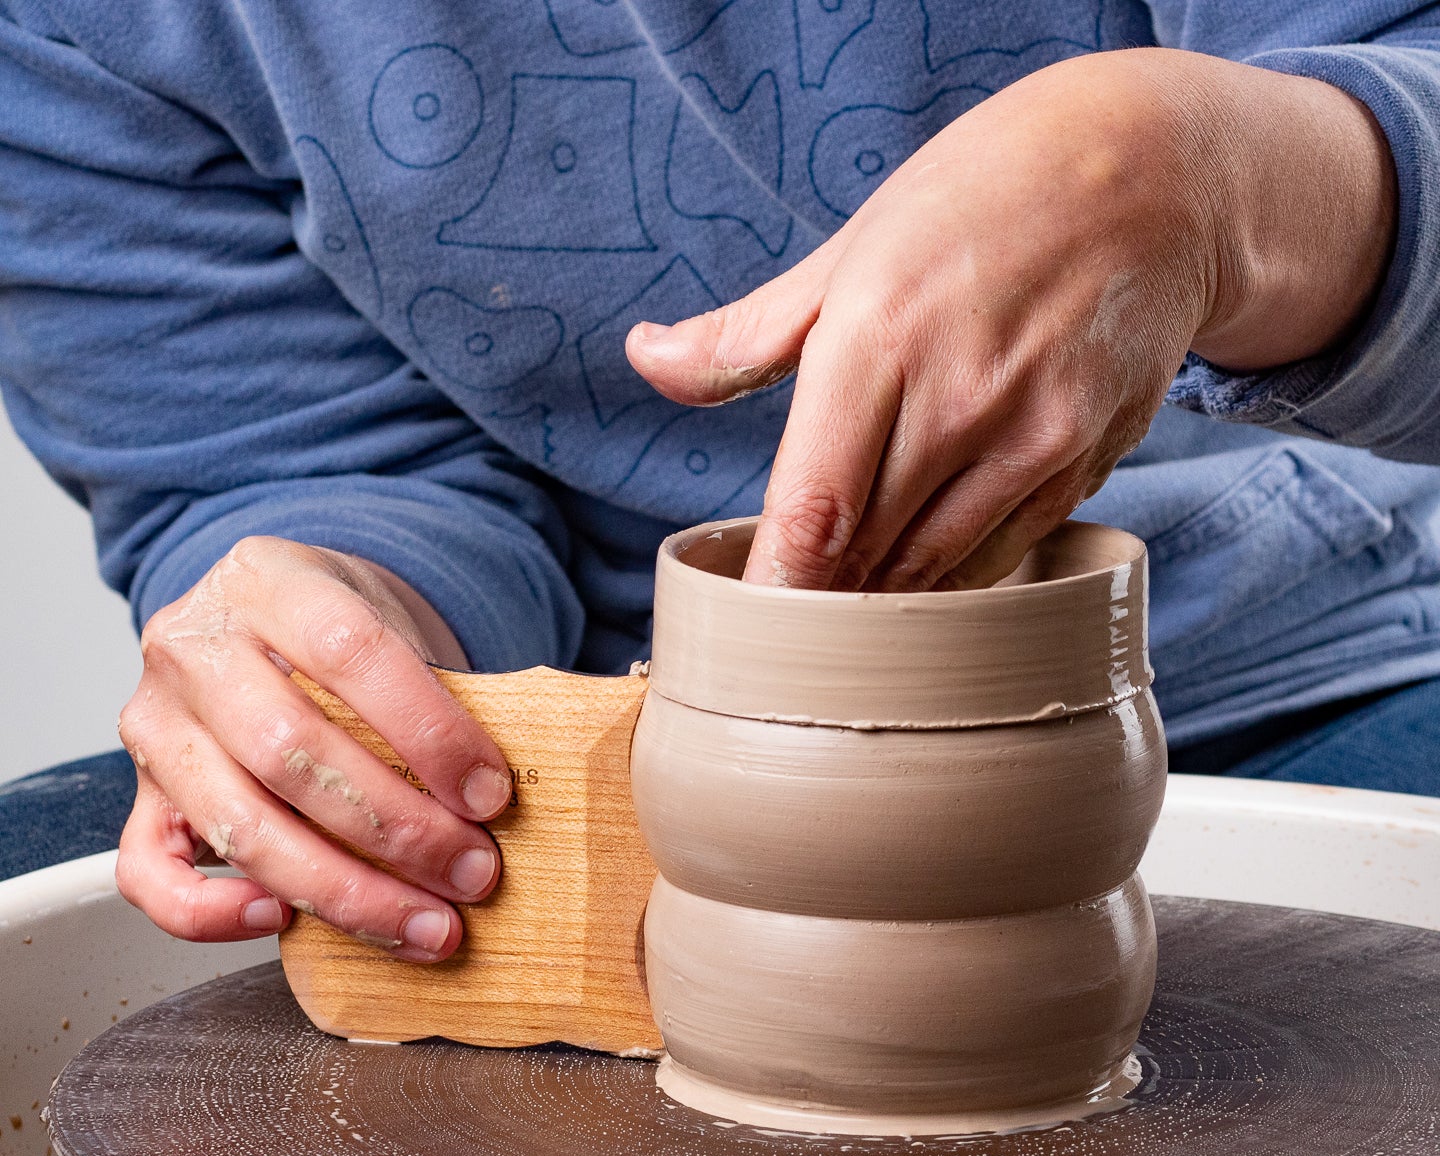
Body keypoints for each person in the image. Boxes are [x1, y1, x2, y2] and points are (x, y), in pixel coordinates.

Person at [2, 1, 1438, 959]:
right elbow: (305, 453)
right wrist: (337, 623)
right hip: (609, 751)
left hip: (1305, 639)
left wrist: (1212, 183)